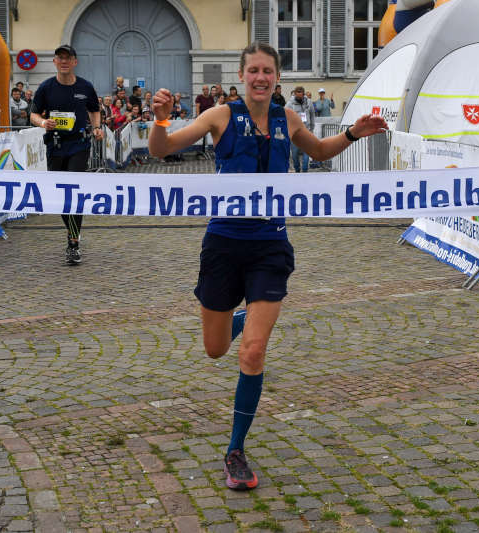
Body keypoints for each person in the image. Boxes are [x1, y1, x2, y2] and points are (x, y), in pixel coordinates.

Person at [148, 41, 386, 492]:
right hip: (222, 244)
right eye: (253, 70)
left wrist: (353, 133)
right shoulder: (219, 117)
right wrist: (160, 119)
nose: (260, 77)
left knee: (252, 353)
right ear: (242, 76)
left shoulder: (287, 118)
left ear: (276, 77)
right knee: (216, 349)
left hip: (269, 245)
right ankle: (238, 319)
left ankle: (235, 450)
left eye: (267, 71)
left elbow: (318, 151)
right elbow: (163, 149)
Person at [30, 44, 103, 265]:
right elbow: (32, 114)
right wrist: (43, 122)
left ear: (74, 62)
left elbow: (94, 109)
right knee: (61, 196)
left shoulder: (85, 86)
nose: (63, 61)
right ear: (54, 62)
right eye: (59, 58)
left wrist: (97, 127)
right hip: (55, 145)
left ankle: (73, 242)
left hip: (79, 145)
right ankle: (73, 233)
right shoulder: (46, 87)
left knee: (74, 191)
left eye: (67, 58)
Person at [285, 86, 315, 172]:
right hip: (295, 134)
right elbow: (285, 116)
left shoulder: (308, 102)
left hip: (307, 132)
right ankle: (297, 170)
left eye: (300, 92)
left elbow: (312, 115)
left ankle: (305, 171)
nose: (299, 94)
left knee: (307, 153)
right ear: (294, 93)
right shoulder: (290, 104)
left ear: (303, 93)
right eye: (297, 92)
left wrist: (312, 128)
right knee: (294, 155)